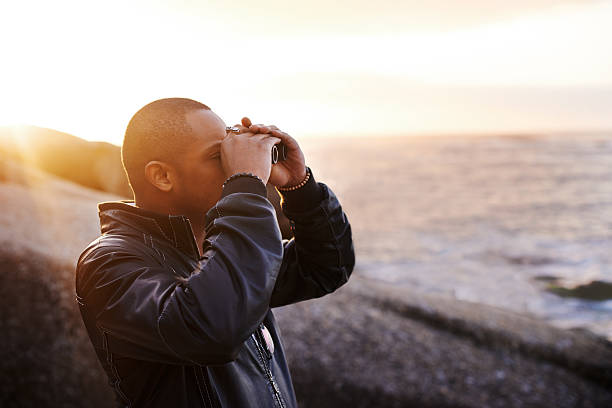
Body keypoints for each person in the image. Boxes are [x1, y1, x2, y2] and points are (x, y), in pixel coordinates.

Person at [75, 97, 355, 408]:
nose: (232, 164)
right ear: (162, 176)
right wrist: (245, 184)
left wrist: (299, 186)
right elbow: (211, 328)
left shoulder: (216, 252)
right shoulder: (107, 263)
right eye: (216, 155)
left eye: (229, 149)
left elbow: (326, 267)